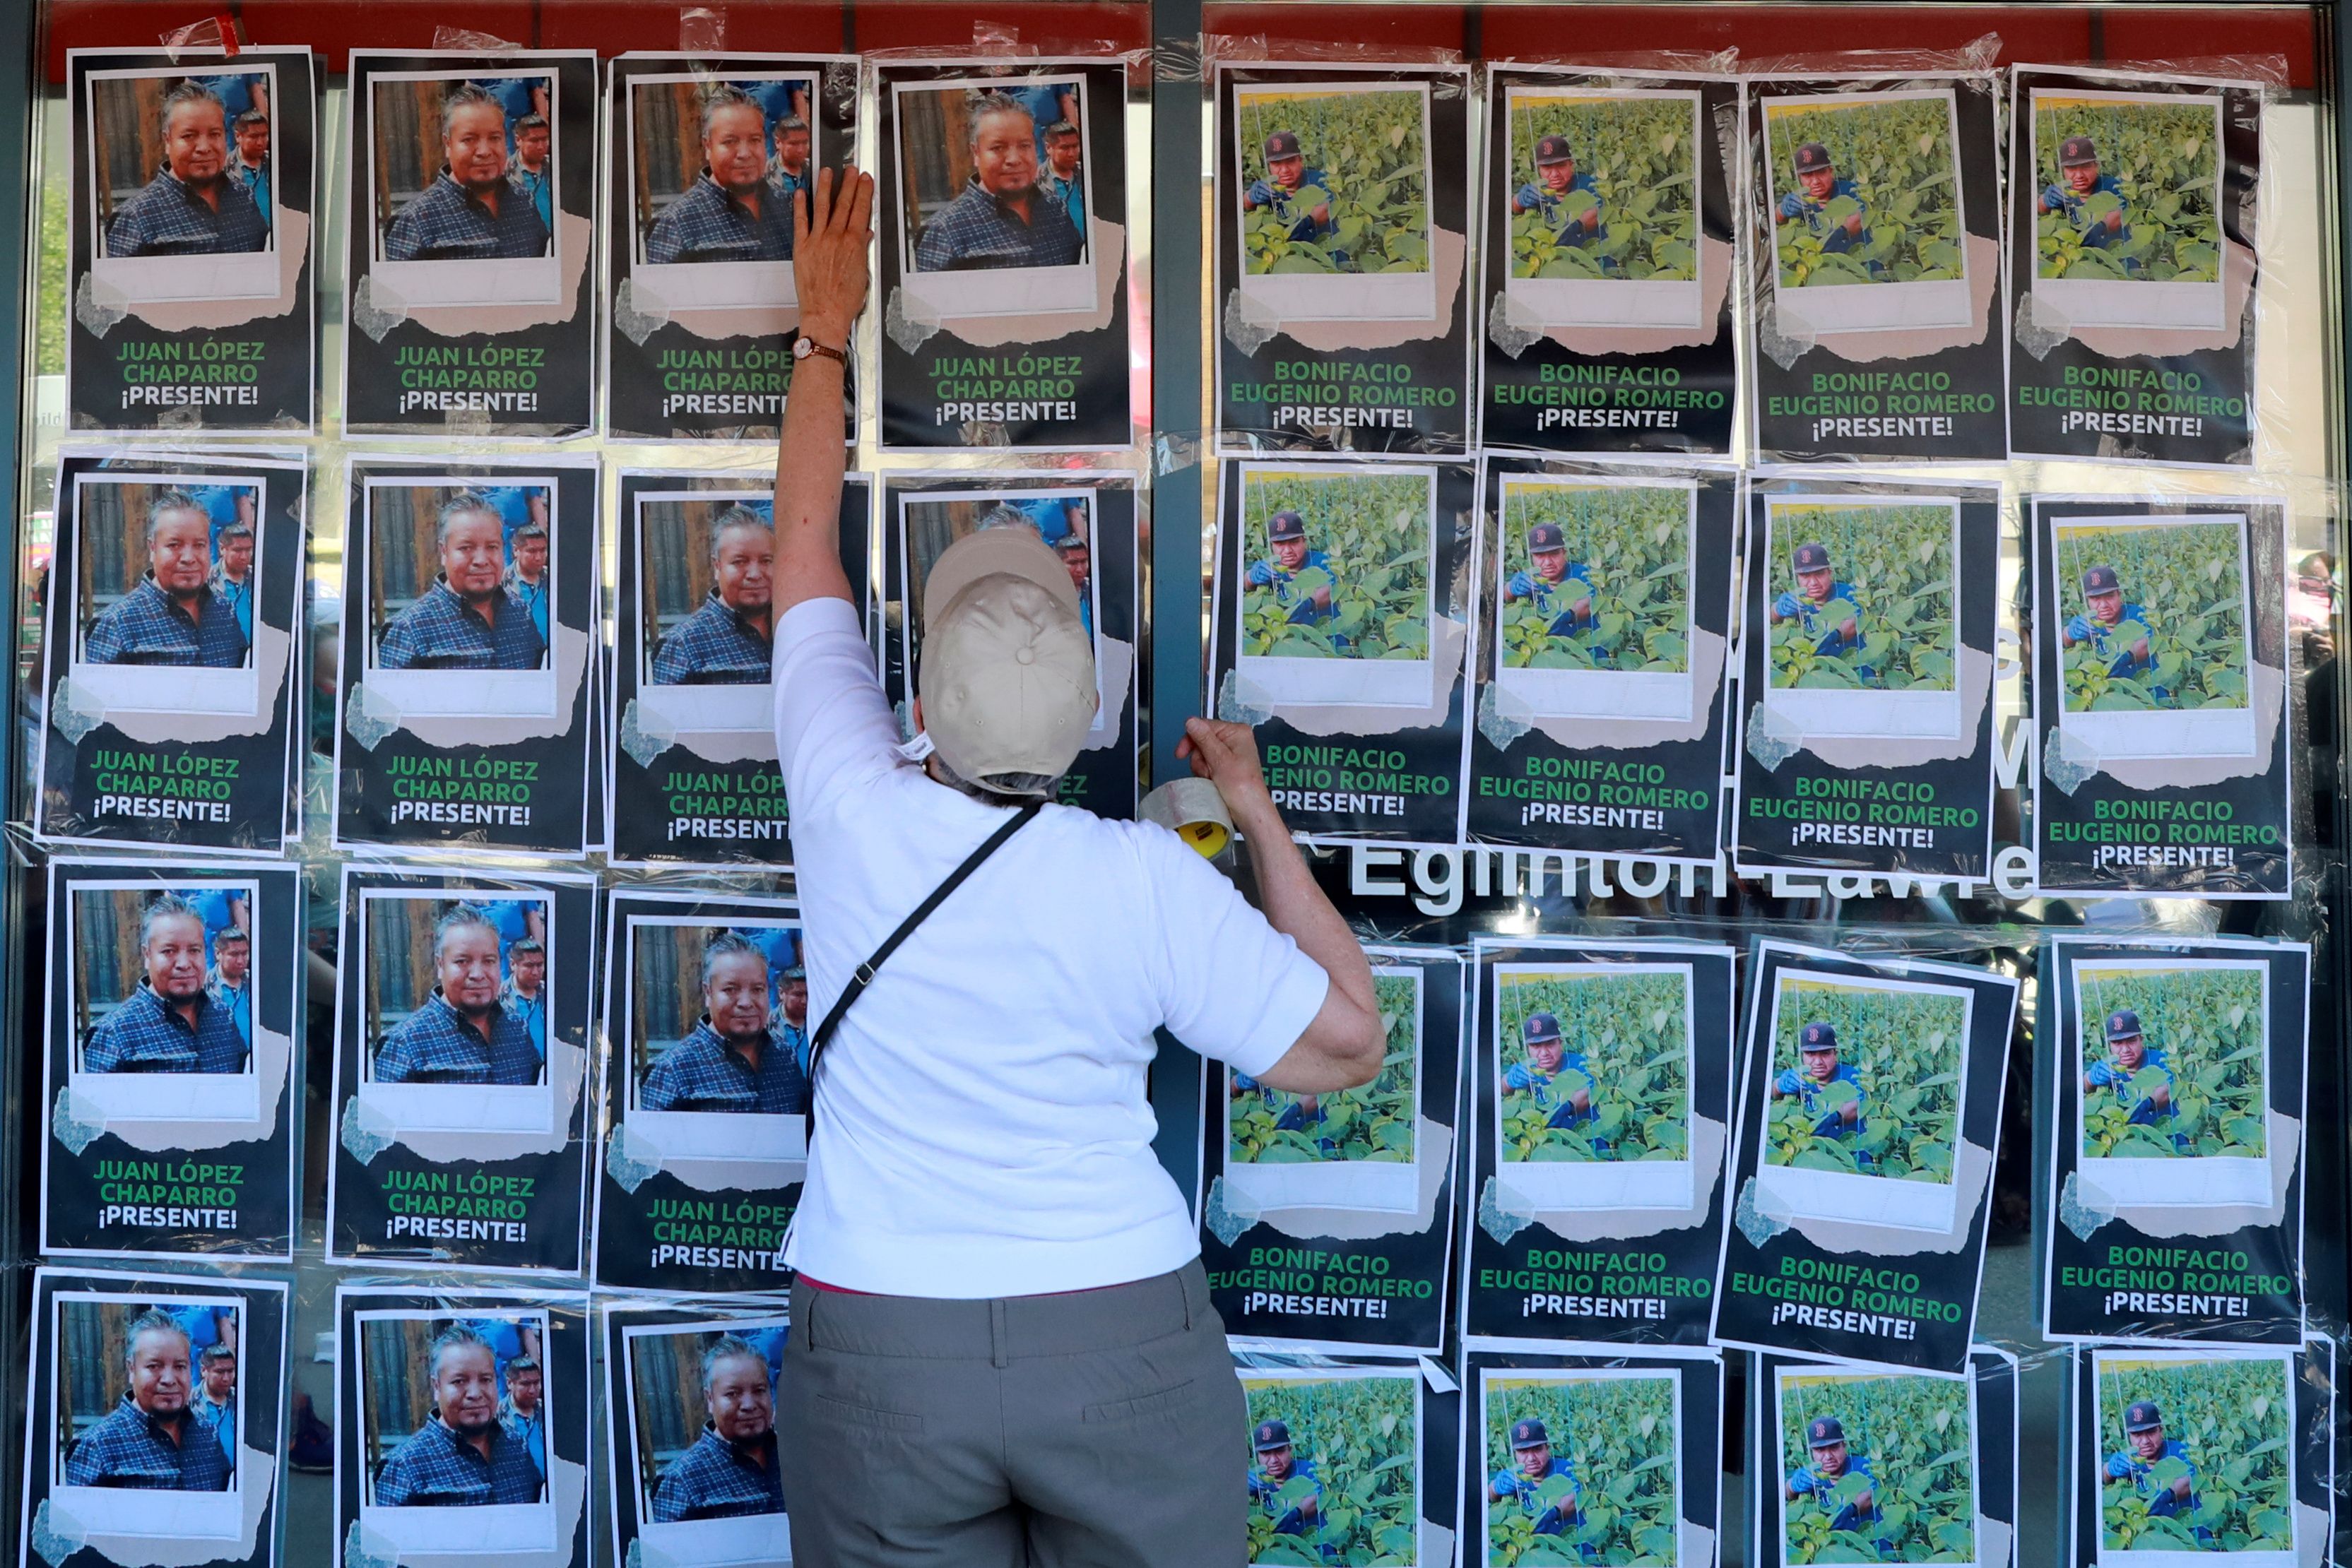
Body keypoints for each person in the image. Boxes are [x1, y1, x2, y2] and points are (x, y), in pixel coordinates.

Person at [769, 168, 1385, 1567]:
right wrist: (1254, 810)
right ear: (1083, 721)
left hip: (878, 1347)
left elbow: (804, 543)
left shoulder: (847, 804)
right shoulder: (1145, 878)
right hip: (1120, 1341)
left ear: (911, 699)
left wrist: (823, 333)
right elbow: (1346, 1042)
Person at [374, 1324, 545, 1507]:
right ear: (437, 1387)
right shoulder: (405, 1467)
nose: (475, 1393)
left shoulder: (517, 1447)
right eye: (459, 1381)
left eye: (485, 1380)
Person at [372, 905, 545, 1086]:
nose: (478, 974)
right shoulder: (405, 1045)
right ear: (441, 965)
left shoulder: (517, 1028)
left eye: (489, 961)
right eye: (462, 961)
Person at [63, 1309, 231, 1491]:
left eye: (180, 1366)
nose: (169, 1379)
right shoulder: (96, 1448)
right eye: (154, 1366)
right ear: (132, 1369)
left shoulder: (207, 1434)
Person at [377, 492, 547, 672]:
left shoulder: (521, 613)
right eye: (466, 548)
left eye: (492, 547)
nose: (481, 560)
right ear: (444, 552)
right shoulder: (408, 631)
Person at [642, 932, 809, 1114]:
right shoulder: (671, 1073)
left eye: (757, 989)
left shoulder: (785, 1058)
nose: (746, 1002)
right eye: (731, 989)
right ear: (708, 993)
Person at [912, 94, 1083, 272]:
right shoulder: (944, 233)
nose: (1014, 159)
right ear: (976, 153)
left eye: (1024, 146)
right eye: (998, 148)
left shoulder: (1057, 210)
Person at [383, 83, 550, 262]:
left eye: (495, 138)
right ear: (448, 144)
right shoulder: (414, 223)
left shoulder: (524, 201)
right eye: (469, 139)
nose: (484, 151)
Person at [85, 489, 248, 668]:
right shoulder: (116, 626)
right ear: (153, 548)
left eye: (199, 545)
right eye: (174, 545)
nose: (189, 557)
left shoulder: (225, 612)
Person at [86, 895, 248, 1074]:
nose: (184, 963)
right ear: (147, 955)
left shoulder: (223, 1017)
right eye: (169, 951)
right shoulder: (114, 1035)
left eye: (194, 950)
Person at [105, 81, 270, 257]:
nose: (204, 147)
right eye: (189, 136)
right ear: (167, 141)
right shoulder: (135, 219)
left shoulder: (244, 198)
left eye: (214, 134)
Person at [648, 88, 794, 265]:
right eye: (730, 141)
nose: (744, 153)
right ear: (708, 147)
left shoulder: (789, 207)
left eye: (755, 140)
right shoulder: (675, 225)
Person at [653, 1336, 786, 1521]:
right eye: (733, 1394)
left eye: (759, 1390)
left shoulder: (798, 1459)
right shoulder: (682, 1481)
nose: (749, 1405)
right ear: (710, 1399)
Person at [651, 506, 776, 685]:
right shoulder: (683, 645)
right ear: (717, 567)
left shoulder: (794, 629)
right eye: (740, 562)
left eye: (766, 561)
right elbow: (669, 713)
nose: (755, 574)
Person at [2104, 1399, 2211, 1545]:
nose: (2145, 1441)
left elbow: (2188, 1481)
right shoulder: (2128, 1459)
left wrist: (2165, 1495)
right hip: (2153, 1536)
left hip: (2191, 1531)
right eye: (2137, 1435)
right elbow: (2104, 1480)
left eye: (2151, 1432)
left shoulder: (2177, 1451)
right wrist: (2109, 1470)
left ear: (2161, 1430)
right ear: (2129, 1436)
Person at [2082, 1007, 2186, 1144]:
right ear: (2109, 1045)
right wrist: (2090, 1079)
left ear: (2141, 1040)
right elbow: (2085, 1087)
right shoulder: (2109, 1066)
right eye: (2117, 1043)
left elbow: (2166, 1091)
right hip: (2131, 1141)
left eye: (2131, 1041)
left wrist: (2146, 1103)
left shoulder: (2158, 1060)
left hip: (2167, 1138)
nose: (2125, 1050)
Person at [1772, 1021, 1869, 1155]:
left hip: (1850, 1152)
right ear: (1802, 1056)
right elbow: (1774, 1095)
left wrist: (1832, 1117)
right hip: (1813, 1152)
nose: (1817, 1062)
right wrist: (1779, 1086)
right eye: (1810, 1054)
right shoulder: (1799, 1077)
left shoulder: (1850, 1075)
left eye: (1825, 1054)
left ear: (1835, 1054)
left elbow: (1856, 1106)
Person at [1786, 1415, 1886, 1541]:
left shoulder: (1860, 1465)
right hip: (1833, 1543)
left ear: (1844, 1446)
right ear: (1812, 1452)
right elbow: (1788, 1493)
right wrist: (1792, 1486)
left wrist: (1848, 1509)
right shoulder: (1811, 1473)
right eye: (1820, 1450)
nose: (1828, 1456)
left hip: (1870, 1540)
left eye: (1834, 1447)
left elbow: (1868, 1496)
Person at [1504, 522, 1601, 643]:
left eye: (1554, 554)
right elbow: (1505, 597)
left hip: (1585, 646)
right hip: (1547, 647)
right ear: (1532, 557)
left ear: (1564, 553)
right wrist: (1511, 588)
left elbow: (1587, 604)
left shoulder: (1580, 573)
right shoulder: (1529, 578)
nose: (1548, 562)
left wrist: (1566, 615)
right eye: (1540, 556)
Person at [1770, 541, 1867, 662]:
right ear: (1797, 578)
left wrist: (1831, 636)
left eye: (1819, 574)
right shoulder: (1796, 599)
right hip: (1815, 667)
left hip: (1853, 665)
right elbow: (1772, 618)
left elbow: (1852, 624)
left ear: (1829, 573)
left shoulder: (1845, 592)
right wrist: (1777, 609)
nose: (1813, 583)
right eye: (1805, 576)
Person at [2063, 564, 2158, 685]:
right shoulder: (2087, 622)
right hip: (2110, 691)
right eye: (2095, 598)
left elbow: (2146, 644)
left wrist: (2124, 657)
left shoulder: (2135, 614)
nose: (2103, 605)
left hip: (2147, 687)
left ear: (2119, 595)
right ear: (2088, 601)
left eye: (2109, 596)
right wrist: (2070, 633)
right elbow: (2064, 641)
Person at [1489, 1417, 1583, 1538]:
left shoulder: (1563, 1468)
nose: (1531, 1458)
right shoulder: (1513, 1476)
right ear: (1515, 1454)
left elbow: (1572, 1499)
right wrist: (1495, 1488)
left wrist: (1552, 1513)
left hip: (1572, 1542)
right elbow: (1489, 1496)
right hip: (1534, 1547)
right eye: (1523, 1451)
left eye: (1537, 1449)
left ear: (1547, 1449)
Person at [1503, 1011, 1597, 1132]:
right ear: (1528, 1049)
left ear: (1560, 1044)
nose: (1544, 1053)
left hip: (1585, 1136)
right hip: (1546, 1141)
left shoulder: (1577, 1063)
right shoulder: (1526, 1069)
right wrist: (1509, 1082)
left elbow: (1587, 1093)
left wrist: (1566, 1107)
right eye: (1536, 1046)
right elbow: (1501, 1088)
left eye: (1550, 1044)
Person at [1245, 509, 1338, 630]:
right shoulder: (1270, 567)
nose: (1288, 550)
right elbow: (1245, 584)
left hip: (1327, 637)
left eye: (1294, 542)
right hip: (1289, 638)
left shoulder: (1320, 561)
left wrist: (1306, 603)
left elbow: (1330, 590)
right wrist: (1251, 577)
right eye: (1280, 544)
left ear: (1304, 542)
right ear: (1272, 546)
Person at [1775, 141, 1869, 258]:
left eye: (1821, 172)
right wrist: (1782, 209)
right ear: (1799, 178)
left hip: (1860, 261)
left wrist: (1837, 234)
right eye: (1808, 175)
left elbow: (1859, 218)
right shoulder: (1800, 199)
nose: (1815, 181)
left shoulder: (1848, 190)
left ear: (1831, 172)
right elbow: (1776, 219)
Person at [1242, 128, 1334, 247]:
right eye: (1277, 164)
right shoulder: (1268, 187)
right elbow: (1246, 203)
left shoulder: (1317, 179)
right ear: (1269, 166)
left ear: (1300, 161)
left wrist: (1305, 222)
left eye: (1290, 161)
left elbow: (1326, 209)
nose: (1285, 170)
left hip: (1324, 249)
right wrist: (1251, 196)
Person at [2040, 134, 2130, 254]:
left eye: (2086, 167)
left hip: (2114, 255)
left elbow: (2117, 217)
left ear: (2096, 166)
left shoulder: (2111, 185)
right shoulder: (2062, 191)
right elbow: (2039, 209)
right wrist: (2045, 200)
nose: (2079, 175)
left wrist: (2097, 229)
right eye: (2071, 168)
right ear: (2063, 171)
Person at [1512, 134, 1605, 251]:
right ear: (1539, 169)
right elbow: (1515, 207)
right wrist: (1520, 199)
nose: (1555, 174)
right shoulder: (1537, 189)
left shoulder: (1587, 184)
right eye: (1547, 167)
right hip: (1555, 259)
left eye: (1561, 166)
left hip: (1593, 256)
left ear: (1571, 165)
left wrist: (1574, 227)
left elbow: (1596, 214)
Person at [1246, 1420, 1323, 1543]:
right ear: (1257, 1455)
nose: (1273, 1460)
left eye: (1280, 1451)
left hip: (1313, 1548)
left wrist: (1293, 1513)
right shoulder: (1256, 1479)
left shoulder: (1306, 1470)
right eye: (1265, 1453)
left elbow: (1314, 1500)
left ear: (1290, 1450)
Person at [497, 1353, 547, 1480]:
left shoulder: (548, 1412)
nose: (532, 1390)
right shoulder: (496, 1417)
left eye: (536, 1383)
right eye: (525, 1384)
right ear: (510, 1384)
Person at [205, 925, 253, 1052]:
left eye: (244, 954)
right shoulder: (204, 988)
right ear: (218, 954)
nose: (241, 961)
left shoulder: (255, 983)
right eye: (234, 954)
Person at [500, 937, 548, 1061]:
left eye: (540, 965)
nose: (536, 972)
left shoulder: (551, 995)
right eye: (529, 966)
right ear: (513, 965)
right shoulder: (497, 999)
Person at [1039, 119, 1086, 241]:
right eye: (1065, 148)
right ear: (1049, 148)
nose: (1072, 153)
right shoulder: (1035, 183)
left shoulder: (1087, 175)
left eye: (1075, 146)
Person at [211, 518, 256, 644]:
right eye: (237, 550)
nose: (244, 556)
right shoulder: (207, 582)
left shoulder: (259, 580)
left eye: (248, 550)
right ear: (222, 549)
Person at [505, 523, 550, 645]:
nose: (539, 557)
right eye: (532, 551)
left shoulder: (554, 580)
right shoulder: (501, 584)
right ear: (516, 551)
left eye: (543, 551)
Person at [508, 113, 553, 232]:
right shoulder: (504, 174)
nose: (541, 146)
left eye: (544, 140)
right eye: (534, 141)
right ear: (518, 140)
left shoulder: (556, 169)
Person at [193, 1343, 237, 1466]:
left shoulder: (241, 1402)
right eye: (220, 1372)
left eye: (230, 1371)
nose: (226, 1378)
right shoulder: (188, 1405)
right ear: (203, 1371)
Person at [229, 109, 271, 230]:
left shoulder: (275, 164)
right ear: (238, 136)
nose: (260, 142)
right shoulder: (224, 170)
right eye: (253, 137)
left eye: (264, 136)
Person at [768, 116, 815, 207]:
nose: (801, 150)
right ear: (778, 143)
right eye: (794, 144)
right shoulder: (764, 175)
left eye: (805, 143)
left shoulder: (815, 169)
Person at [774, 963, 811, 1079]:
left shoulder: (817, 1022)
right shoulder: (765, 1027)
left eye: (808, 994)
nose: (804, 1001)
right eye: (798, 995)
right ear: (782, 993)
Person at [1053, 533, 1094, 636]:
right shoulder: (1049, 594)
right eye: (1073, 563)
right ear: (1058, 563)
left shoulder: (1094, 590)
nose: (1080, 569)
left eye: (1084, 562)